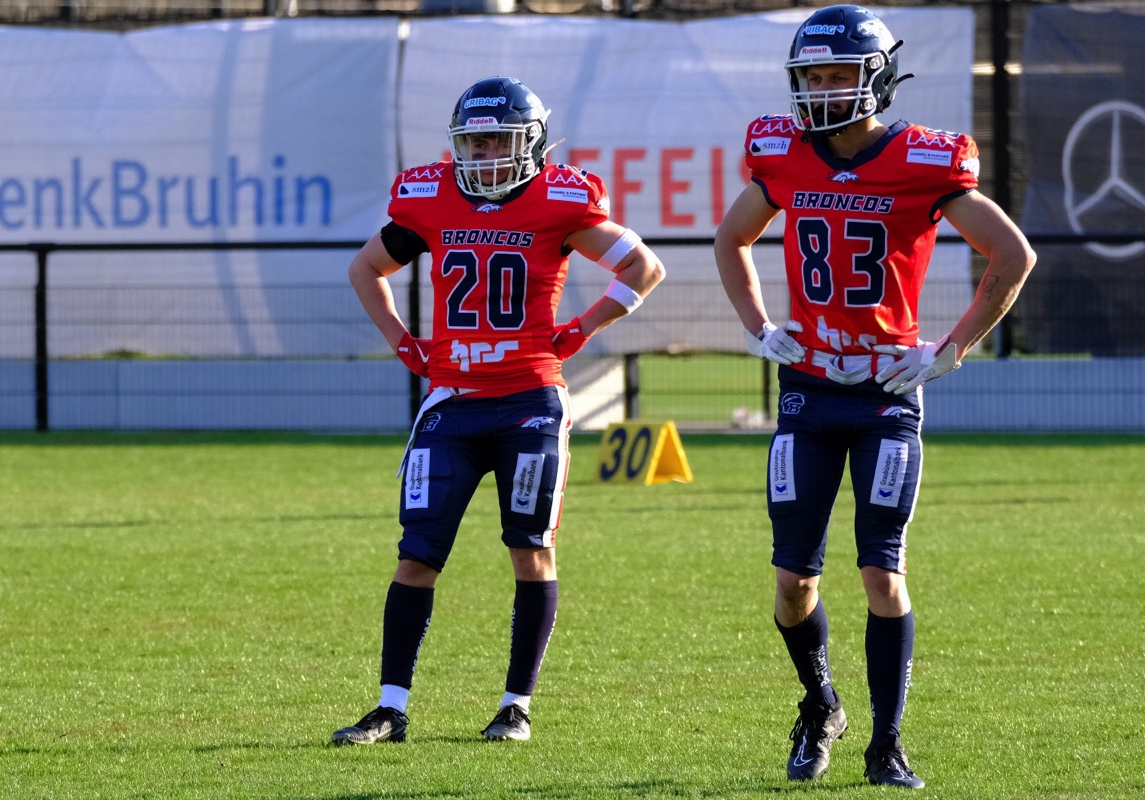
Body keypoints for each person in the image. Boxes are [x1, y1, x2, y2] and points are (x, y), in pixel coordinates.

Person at [714, 5, 1035, 789]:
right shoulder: (783, 153)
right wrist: (758, 327)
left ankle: (886, 743)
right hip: (807, 390)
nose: (823, 90)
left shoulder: (924, 159)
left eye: (839, 75)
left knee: (882, 573)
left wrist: (950, 348)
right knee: (793, 580)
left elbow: (1011, 253)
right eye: (812, 76)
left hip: (886, 394)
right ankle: (820, 703)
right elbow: (732, 239)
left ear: (879, 78)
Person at [334, 76, 665, 746]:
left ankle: (516, 706)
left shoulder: (561, 200)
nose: (486, 154)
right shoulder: (429, 198)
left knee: (530, 550)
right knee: (417, 555)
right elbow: (366, 269)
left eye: (499, 140)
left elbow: (643, 269)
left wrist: (583, 329)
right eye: (475, 141)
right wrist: (402, 341)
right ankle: (390, 709)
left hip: (528, 403)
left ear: (533, 143)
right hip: (451, 405)